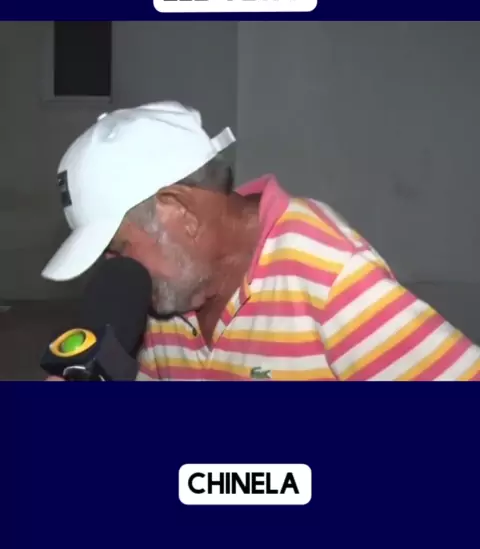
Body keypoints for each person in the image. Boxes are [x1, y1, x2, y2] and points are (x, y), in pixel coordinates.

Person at [43, 101, 480, 381]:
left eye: (120, 248)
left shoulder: (329, 272)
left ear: (181, 212)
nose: (118, 271)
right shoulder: (168, 292)